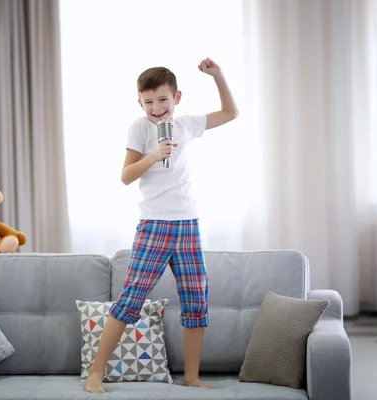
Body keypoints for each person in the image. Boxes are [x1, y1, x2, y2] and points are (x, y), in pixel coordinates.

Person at [84, 58, 238, 394]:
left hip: (187, 227)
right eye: (149, 101)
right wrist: (152, 156)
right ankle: (95, 372)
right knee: (130, 300)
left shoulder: (187, 125)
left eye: (163, 100)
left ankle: (192, 377)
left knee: (196, 302)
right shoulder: (139, 128)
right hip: (154, 226)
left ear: (177, 97)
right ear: (140, 102)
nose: (157, 108)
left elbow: (230, 113)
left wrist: (218, 76)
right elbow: (125, 176)